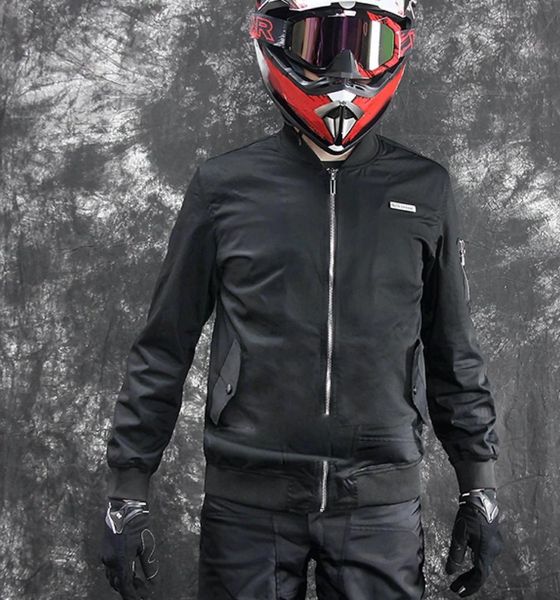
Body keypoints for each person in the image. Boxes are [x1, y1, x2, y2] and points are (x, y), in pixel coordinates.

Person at [99, 1, 504, 598]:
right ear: (278, 41)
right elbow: (165, 345)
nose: (344, 67)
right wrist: (127, 488)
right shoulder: (224, 186)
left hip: (380, 503)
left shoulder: (425, 188)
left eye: (366, 45)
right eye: (321, 42)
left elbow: (453, 349)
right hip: (248, 503)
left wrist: (478, 483)